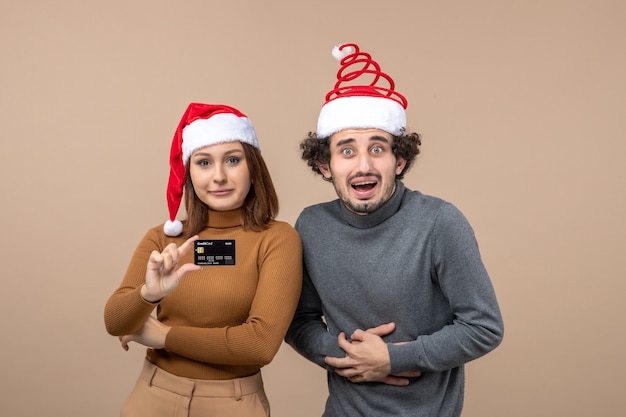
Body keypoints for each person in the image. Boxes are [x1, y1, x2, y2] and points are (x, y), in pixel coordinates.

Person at [285, 43, 504, 416]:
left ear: (399, 159)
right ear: (325, 165)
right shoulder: (311, 225)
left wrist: (395, 358)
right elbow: (298, 321)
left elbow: (483, 326)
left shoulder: (439, 222)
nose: (363, 165)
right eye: (347, 150)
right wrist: (347, 355)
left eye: (378, 148)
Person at [104, 102, 302, 417]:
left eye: (233, 160)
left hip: (233, 404)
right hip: (151, 397)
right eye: (204, 162)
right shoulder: (164, 237)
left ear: (253, 167)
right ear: (189, 172)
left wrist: (162, 336)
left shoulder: (277, 239)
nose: (219, 176)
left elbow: (260, 344)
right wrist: (149, 294)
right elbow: (115, 321)